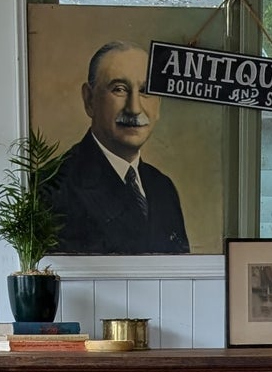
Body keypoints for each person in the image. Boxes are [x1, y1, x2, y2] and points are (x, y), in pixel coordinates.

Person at [47, 41, 189, 256]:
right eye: (119, 89)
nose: (134, 108)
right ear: (89, 100)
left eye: (145, 91)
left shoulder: (163, 187)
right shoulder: (55, 188)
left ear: (158, 104)